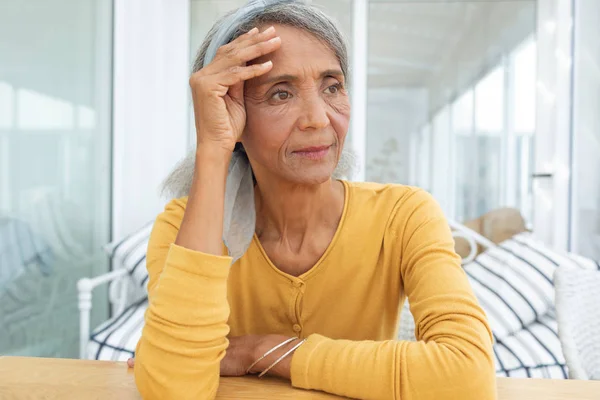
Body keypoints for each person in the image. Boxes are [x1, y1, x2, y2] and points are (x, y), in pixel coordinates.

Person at [130, 1, 496, 399]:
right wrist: (214, 148)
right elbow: (172, 390)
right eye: (280, 94)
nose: (319, 119)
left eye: (332, 87)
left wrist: (261, 351)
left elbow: (467, 377)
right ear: (231, 112)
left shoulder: (404, 215)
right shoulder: (183, 227)